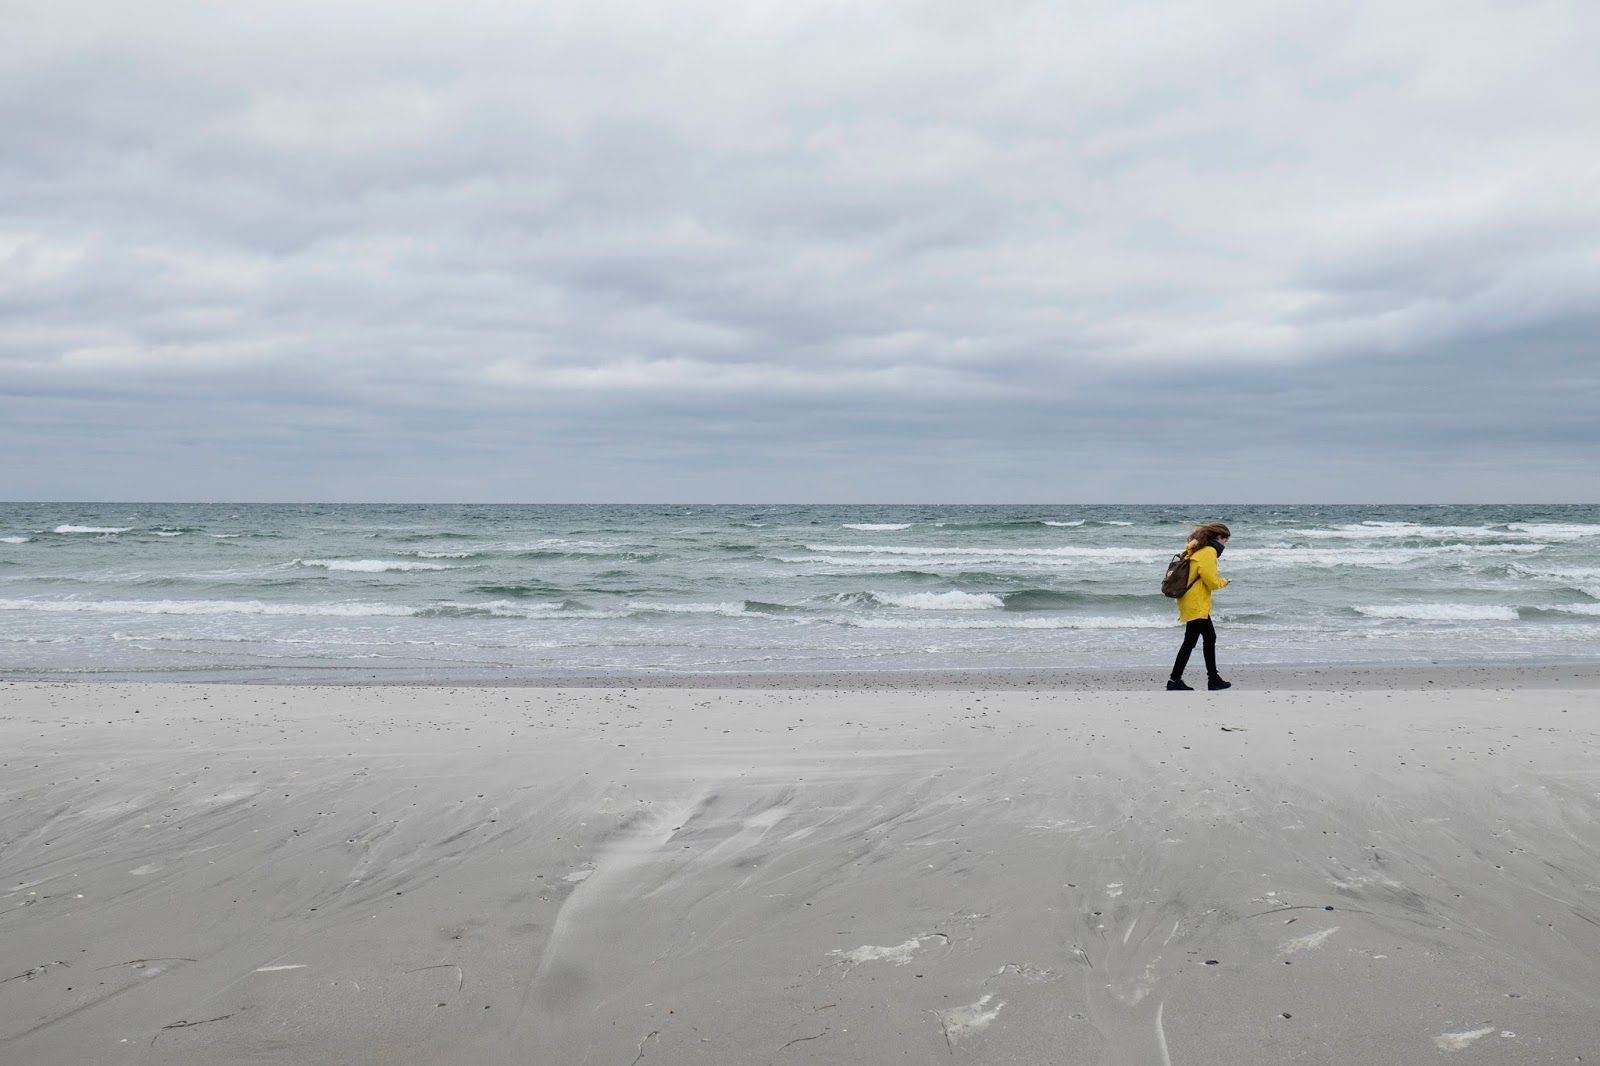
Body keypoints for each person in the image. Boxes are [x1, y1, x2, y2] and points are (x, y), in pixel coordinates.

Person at [1167, 522, 1231, 691]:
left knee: (1192, 641)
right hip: (1197, 603)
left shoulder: (1197, 550)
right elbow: (1211, 582)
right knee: (1208, 638)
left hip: (1190, 601)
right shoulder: (1208, 552)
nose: (1225, 545)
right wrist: (1224, 582)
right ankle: (1212, 679)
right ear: (1218, 537)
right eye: (1225, 541)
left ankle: (1175, 680)